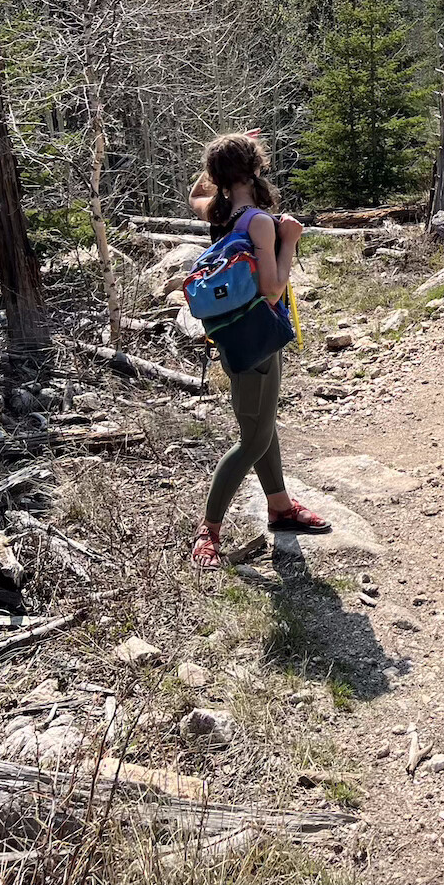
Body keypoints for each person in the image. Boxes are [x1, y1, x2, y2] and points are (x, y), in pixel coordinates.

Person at [187, 132, 330, 568]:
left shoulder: (217, 210)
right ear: (257, 168)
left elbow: (196, 191)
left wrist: (221, 154)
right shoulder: (260, 223)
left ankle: (281, 508)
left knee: (261, 423)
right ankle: (208, 532)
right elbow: (271, 289)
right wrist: (289, 240)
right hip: (259, 332)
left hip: (230, 334)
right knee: (253, 439)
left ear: (218, 177)